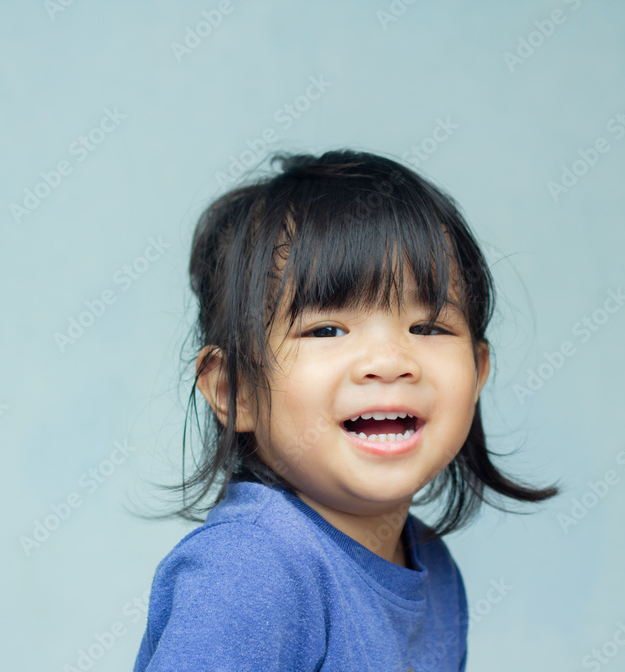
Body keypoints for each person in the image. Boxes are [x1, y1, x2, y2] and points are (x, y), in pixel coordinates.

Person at [132, 149, 557, 671]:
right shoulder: (251, 569)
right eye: (326, 330)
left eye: (427, 328)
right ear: (234, 390)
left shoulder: (432, 566)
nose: (388, 361)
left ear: (477, 373)